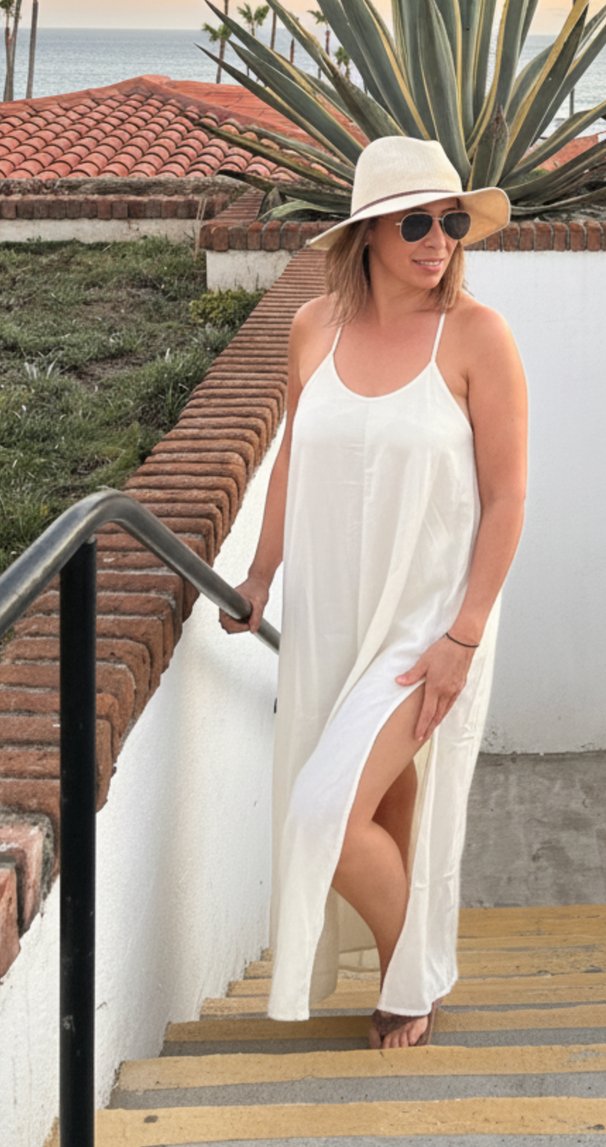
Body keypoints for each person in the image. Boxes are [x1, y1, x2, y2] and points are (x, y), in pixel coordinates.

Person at [219, 136, 527, 1050]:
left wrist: (463, 635)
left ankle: (412, 972)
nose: (439, 240)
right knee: (380, 807)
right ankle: (406, 973)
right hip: (330, 612)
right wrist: (260, 572)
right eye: (417, 222)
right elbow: (290, 464)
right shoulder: (313, 326)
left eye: (451, 222)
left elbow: (508, 496)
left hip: (429, 620)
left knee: (325, 809)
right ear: (367, 235)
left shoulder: (476, 335)